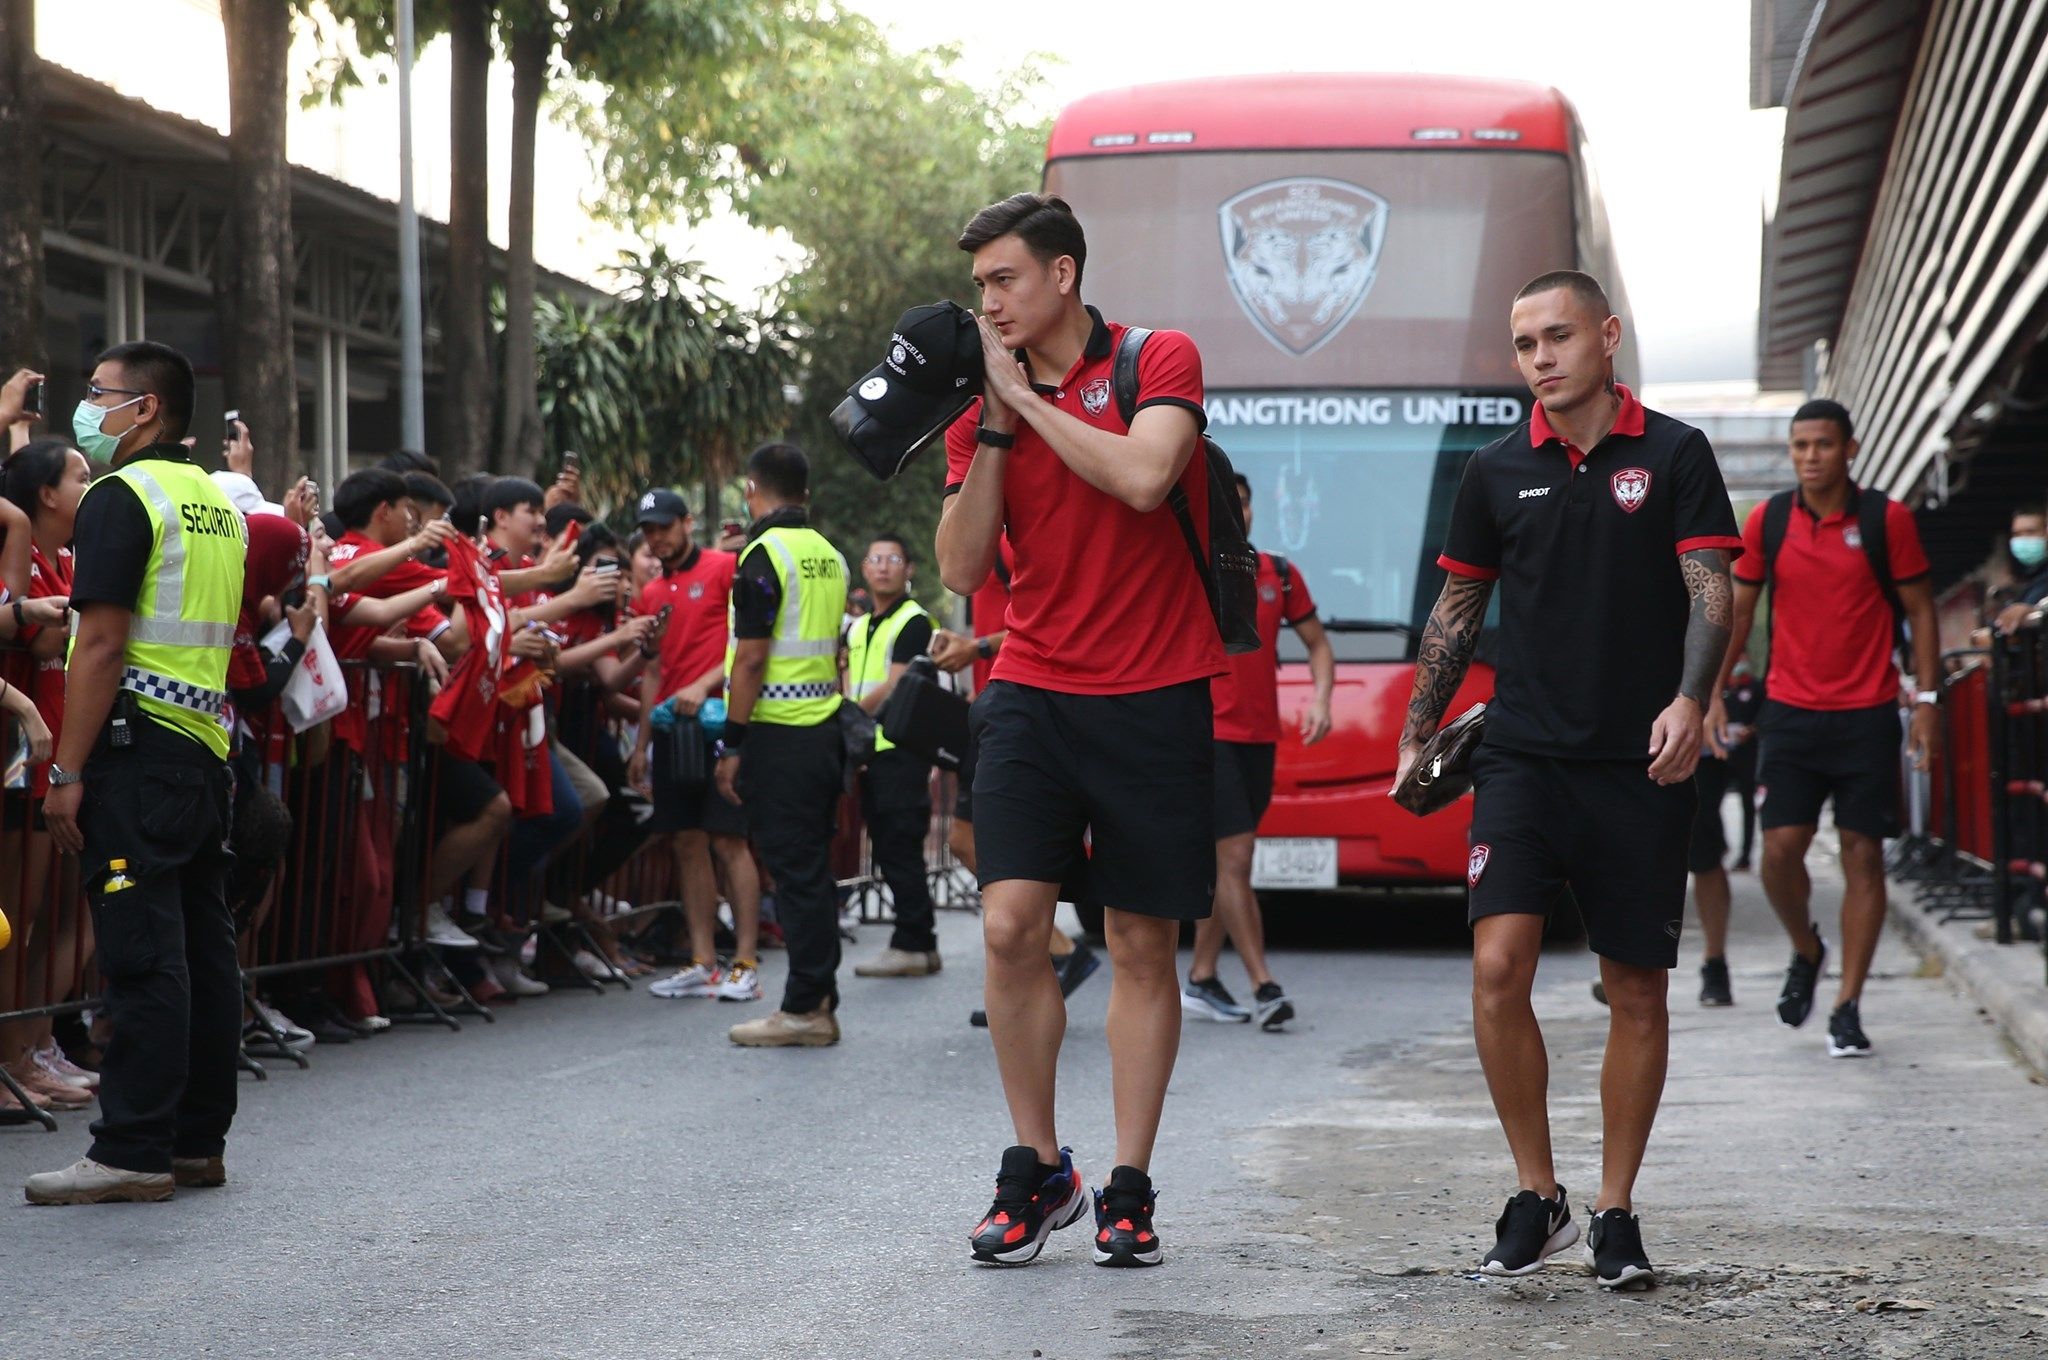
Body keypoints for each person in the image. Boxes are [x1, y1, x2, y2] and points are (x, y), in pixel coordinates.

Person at [1395, 271, 1741, 1289]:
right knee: (1497, 965)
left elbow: (1708, 590)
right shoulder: (1494, 470)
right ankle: (1533, 1193)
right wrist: (1418, 731)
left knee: (1634, 986)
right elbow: (1456, 609)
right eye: (1521, 344)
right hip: (1521, 757)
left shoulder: (1673, 453)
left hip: (1638, 762)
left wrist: (1689, 699)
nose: (1538, 358)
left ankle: (1614, 1210)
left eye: (1556, 337)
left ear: (1604, 335)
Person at [937, 193, 1220, 1268]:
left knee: (1143, 941)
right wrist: (1000, 416)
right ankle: (1035, 1165)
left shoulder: (1157, 361)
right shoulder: (983, 407)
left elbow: (1146, 478)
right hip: (1034, 689)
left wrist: (1030, 402)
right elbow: (962, 568)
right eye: (979, 289)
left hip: (1154, 694)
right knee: (1010, 925)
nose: (989, 303)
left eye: (1003, 280)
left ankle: (1128, 1185)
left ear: (1061, 276)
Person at [28, 341, 248, 1204]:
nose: (87, 407)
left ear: (145, 408)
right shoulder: (213, 502)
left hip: (135, 749)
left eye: (99, 394)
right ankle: (195, 1142)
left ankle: (132, 1149)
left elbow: (105, 643)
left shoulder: (122, 496)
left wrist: (66, 769)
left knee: (144, 956)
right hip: (201, 749)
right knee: (201, 947)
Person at [1706, 398, 1939, 1059]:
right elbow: (1738, 609)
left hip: (1866, 714)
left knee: (1865, 856)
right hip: (1790, 712)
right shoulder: (1769, 521)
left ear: (1851, 449)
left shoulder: (1884, 519)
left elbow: (1921, 610)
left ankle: (1847, 1005)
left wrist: (1926, 701)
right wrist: (1713, 693)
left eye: (1824, 445)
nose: (1811, 456)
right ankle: (1807, 949)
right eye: (1800, 445)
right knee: (1779, 851)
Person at [1183, 473, 1333, 1031]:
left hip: (1259, 739)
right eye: (1224, 503)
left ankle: (1201, 976)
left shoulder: (1279, 573)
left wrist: (1321, 700)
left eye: (1241, 503)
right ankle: (1263, 985)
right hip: (1208, 736)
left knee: (1228, 868)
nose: (1235, 512)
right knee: (1237, 861)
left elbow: (1318, 645)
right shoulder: (1185, 569)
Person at [929, 546, 1101, 1031]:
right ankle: (1051, 953)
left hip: (1019, 710)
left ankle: (1053, 952)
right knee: (963, 840)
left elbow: (1057, 618)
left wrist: (977, 647)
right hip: (990, 707)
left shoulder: (1017, 539)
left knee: (983, 851)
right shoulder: (981, 536)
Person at [719, 444, 852, 1047]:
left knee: (795, 873)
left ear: (752, 489)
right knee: (812, 871)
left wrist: (732, 742)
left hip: (779, 732)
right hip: (823, 732)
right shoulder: (829, 554)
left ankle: (803, 1008)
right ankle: (819, 996)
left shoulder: (763, 554)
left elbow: (750, 658)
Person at [626, 489, 761, 1004]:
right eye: (648, 530)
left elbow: (746, 642)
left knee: (729, 841)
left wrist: (706, 684)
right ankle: (703, 961)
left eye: (664, 526)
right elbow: (653, 671)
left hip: (723, 722)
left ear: (687, 523)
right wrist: (641, 746)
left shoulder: (725, 568)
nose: (656, 537)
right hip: (671, 730)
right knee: (685, 842)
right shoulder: (650, 593)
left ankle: (745, 962)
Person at [847, 533, 943, 978]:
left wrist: (844, 716)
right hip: (872, 748)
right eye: (875, 559)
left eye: (893, 559)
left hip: (901, 749)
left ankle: (914, 940)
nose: (883, 566)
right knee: (887, 844)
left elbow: (896, 683)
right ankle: (916, 941)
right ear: (865, 569)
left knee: (901, 844)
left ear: (909, 570)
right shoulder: (862, 625)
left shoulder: (913, 621)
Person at [1722, 661, 1764, 870]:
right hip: (1721, 753)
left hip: (1748, 754)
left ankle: (1746, 855)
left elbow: (1766, 715)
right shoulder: (1722, 688)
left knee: (1747, 804)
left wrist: (1753, 729)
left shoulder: (1756, 688)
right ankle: (1719, 844)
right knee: (1708, 803)